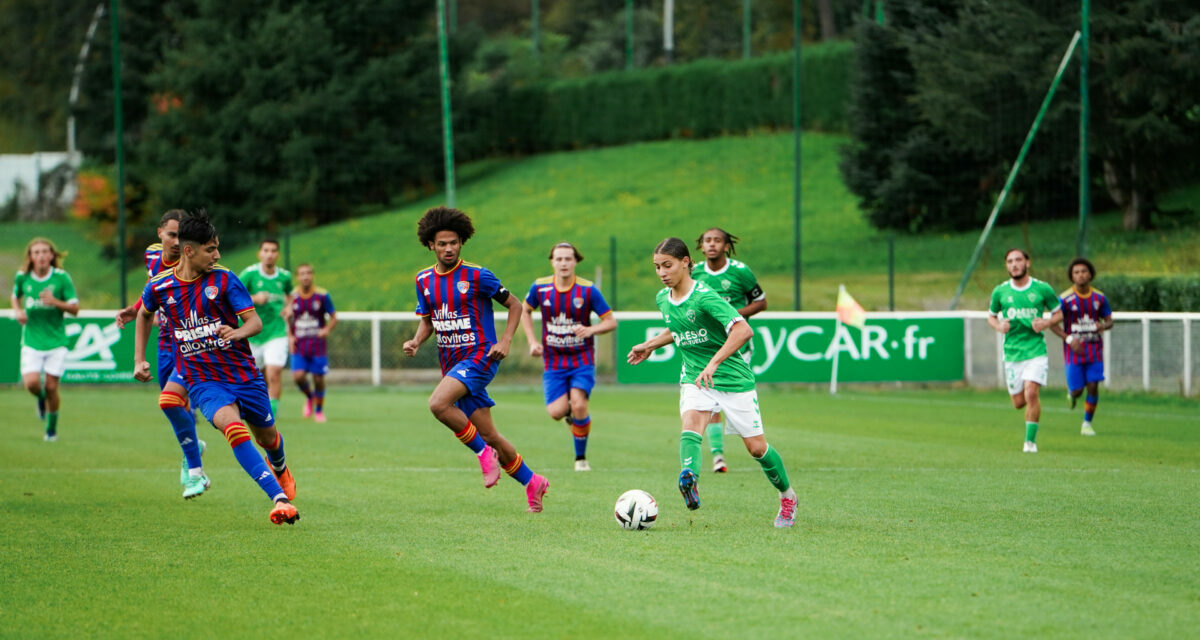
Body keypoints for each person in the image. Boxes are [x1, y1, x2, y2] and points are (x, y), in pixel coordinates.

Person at [133, 210, 299, 525]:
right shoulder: (161, 286)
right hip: (203, 380)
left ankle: (279, 465)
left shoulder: (224, 279)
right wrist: (139, 358)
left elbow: (255, 321)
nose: (217, 254)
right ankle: (277, 498)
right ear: (189, 251)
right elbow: (144, 314)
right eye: (210, 249)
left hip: (242, 375)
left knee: (268, 438)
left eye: (217, 247)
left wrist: (237, 331)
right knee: (232, 428)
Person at [626, 237, 797, 528]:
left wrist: (714, 362)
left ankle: (788, 497)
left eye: (667, 265)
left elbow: (743, 331)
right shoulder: (662, 298)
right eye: (657, 267)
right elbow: (680, 329)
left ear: (685, 263)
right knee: (691, 425)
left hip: (732, 377)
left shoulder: (705, 296)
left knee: (757, 448)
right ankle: (689, 477)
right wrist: (651, 344)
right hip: (695, 376)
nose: (662, 272)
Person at [402, 206, 549, 512]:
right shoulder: (423, 280)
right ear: (430, 244)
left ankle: (483, 455)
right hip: (453, 365)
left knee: (438, 405)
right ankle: (532, 482)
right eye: (442, 243)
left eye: (454, 242)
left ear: (461, 242)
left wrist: (505, 341)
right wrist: (416, 341)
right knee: (489, 433)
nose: (448, 248)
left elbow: (515, 305)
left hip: (480, 356)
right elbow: (428, 320)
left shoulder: (478, 275)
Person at [115, 210, 208, 498]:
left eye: (182, 236)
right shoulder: (153, 257)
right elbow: (153, 291)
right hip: (166, 341)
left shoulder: (196, 263)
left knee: (172, 401)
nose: (178, 242)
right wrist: (136, 309)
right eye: (172, 234)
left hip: (191, 341)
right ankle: (193, 447)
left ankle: (195, 472)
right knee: (172, 405)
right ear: (160, 234)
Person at [520, 242, 617, 471]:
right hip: (553, 361)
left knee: (579, 404)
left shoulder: (588, 290)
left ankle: (580, 459)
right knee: (555, 412)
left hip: (581, 359)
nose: (563, 263)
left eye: (568, 259)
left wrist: (591, 330)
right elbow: (525, 310)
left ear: (575, 261)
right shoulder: (540, 288)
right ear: (552, 262)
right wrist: (533, 342)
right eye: (559, 259)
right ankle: (573, 419)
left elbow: (611, 321)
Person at [691, 227, 767, 473]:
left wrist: (733, 316)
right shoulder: (695, 273)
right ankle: (718, 456)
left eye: (717, 241)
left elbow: (761, 302)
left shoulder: (740, 272)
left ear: (726, 246)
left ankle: (756, 443)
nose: (711, 244)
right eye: (707, 241)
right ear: (701, 246)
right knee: (710, 399)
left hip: (738, 347)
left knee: (731, 401)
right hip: (707, 347)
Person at [987, 248, 1062, 453]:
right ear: (1006, 266)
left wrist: (1046, 323)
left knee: (1031, 392)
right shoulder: (1000, 291)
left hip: (1035, 350)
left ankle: (1030, 442)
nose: (1014, 264)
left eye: (1018, 260)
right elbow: (991, 316)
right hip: (1012, 352)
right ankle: (1028, 427)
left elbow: (1058, 313)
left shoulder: (1042, 288)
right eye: (1010, 261)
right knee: (1019, 402)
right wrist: (999, 326)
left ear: (1027, 262)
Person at [10, 238, 78, 441]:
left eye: (45, 252)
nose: (41, 256)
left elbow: (74, 309)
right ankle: (41, 400)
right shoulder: (22, 277)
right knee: (31, 384)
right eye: (36, 252)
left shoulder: (61, 278)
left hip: (56, 342)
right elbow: (15, 296)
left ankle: (51, 428)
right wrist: (17, 311)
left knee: (51, 387)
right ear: (30, 256)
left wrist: (55, 301)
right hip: (31, 341)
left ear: (51, 255)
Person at [1049, 258, 1112, 437]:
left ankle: (1087, 423)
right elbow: (1053, 324)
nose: (1080, 275)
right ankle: (1072, 393)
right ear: (1071, 276)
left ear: (1090, 274)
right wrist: (1069, 339)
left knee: (1093, 386)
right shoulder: (1064, 299)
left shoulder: (1099, 297)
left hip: (1094, 351)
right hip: (1073, 352)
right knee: (1078, 390)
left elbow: (1109, 321)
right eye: (1076, 272)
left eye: (1084, 271)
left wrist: (1103, 326)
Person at [239, 240, 293, 416]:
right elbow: (232, 295)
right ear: (260, 253)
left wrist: (289, 308)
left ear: (277, 254)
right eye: (266, 250)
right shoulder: (249, 274)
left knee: (274, 372)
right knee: (256, 376)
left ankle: (271, 415)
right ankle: (256, 407)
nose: (269, 254)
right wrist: (254, 298)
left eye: (273, 251)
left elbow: (290, 297)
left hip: (277, 332)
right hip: (253, 334)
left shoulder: (285, 276)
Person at [288, 263, 337, 422]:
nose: (306, 276)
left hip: (317, 344)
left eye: (308, 273)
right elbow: (288, 318)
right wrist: (290, 336)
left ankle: (319, 411)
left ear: (313, 275)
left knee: (318, 378)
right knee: (298, 376)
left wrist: (327, 329)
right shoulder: (292, 296)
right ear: (297, 277)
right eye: (302, 273)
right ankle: (310, 397)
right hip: (299, 344)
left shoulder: (322, 295)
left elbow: (334, 317)